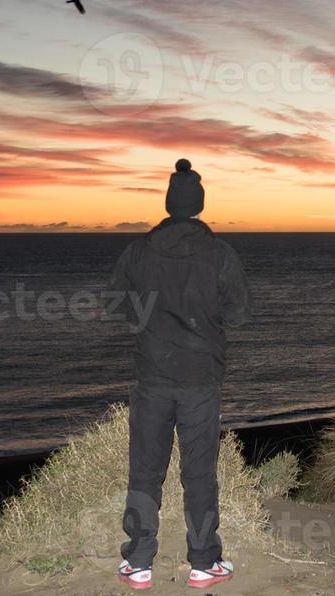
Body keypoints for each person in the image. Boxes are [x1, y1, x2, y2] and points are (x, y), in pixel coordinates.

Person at [109, 159, 252, 590]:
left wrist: (152, 325)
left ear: (170, 202)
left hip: (152, 377)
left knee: (145, 470)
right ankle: (204, 563)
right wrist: (204, 324)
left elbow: (117, 305)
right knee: (199, 472)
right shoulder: (220, 253)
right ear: (199, 202)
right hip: (201, 380)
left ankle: (138, 562)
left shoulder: (139, 250)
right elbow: (240, 314)